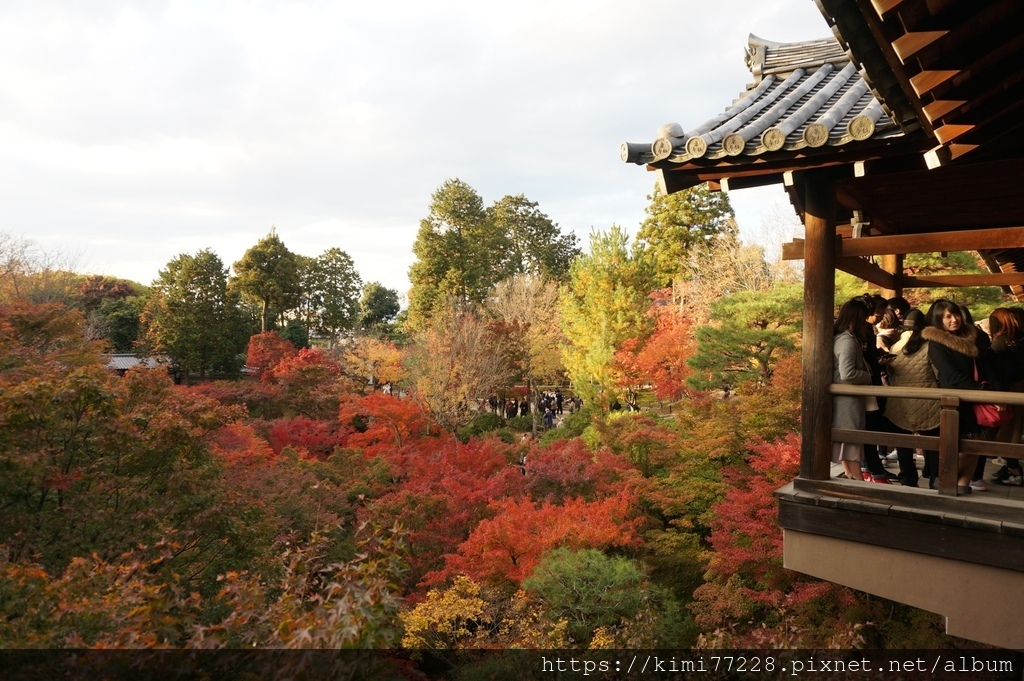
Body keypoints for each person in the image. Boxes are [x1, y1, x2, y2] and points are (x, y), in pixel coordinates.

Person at [923, 299, 991, 494]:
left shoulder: (973, 336)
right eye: (948, 316)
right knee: (961, 444)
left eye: (956, 314)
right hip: (956, 400)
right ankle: (946, 478)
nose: (954, 319)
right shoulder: (936, 343)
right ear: (938, 320)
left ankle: (963, 483)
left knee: (977, 443)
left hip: (975, 396)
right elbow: (952, 375)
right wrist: (980, 391)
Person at [879, 309, 937, 488]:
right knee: (933, 438)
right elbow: (938, 372)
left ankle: (908, 477)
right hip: (929, 397)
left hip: (900, 398)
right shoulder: (932, 346)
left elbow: (890, 371)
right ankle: (934, 474)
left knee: (902, 440)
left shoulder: (895, 347)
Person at [832, 298, 874, 482]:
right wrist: (868, 376)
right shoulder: (847, 341)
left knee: (846, 441)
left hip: (843, 399)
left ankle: (851, 476)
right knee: (852, 439)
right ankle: (858, 481)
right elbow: (847, 373)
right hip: (848, 399)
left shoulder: (841, 338)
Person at [988, 307, 1024, 486]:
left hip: (1009, 392)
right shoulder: (1017, 341)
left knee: (1008, 431)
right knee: (1014, 431)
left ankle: (1014, 471)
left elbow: (999, 373)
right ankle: (1012, 467)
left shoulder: (999, 344)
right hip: (1019, 389)